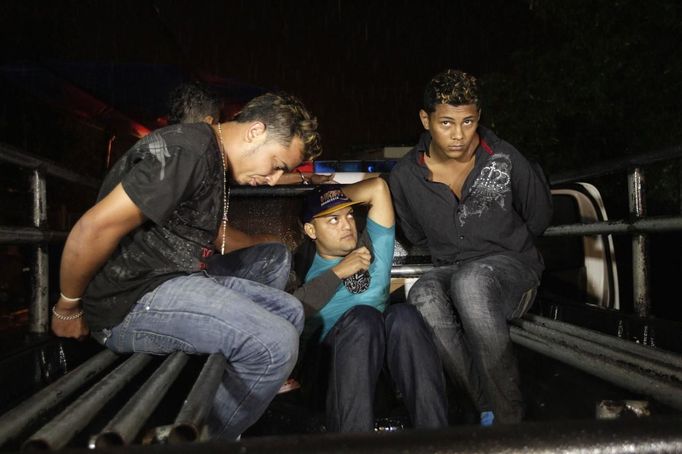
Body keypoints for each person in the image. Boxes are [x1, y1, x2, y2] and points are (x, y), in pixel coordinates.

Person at [50, 92, 322, 440]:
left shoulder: (212, 158)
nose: (272, 179)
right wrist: (68, 305)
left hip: (172, 279)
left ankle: (234, 383)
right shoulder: (189, 151)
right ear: (255, 132)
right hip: (130, 301)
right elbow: (94, 227)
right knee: (276, 345)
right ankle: (204, 440)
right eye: (277, 165)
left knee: (290, 312)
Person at [388, 69, 553, 425]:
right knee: (423, 295)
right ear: (425, 119)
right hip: (452, 267)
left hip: (512, 268)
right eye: (446, 122)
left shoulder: (505, 158)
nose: (459, 134)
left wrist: (501, 240)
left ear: (478, 118)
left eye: (468, 122)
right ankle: (486, 409)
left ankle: (510, 424)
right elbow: (415, 235)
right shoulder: (405, 175)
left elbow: (538, 215)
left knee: (472, 282)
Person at [292, 179, 448, 432]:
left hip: (378, 378)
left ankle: (437, 440)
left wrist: (333, 193)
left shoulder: (373, 250)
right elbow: (291, 312)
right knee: (364, 318)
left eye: (350, 215)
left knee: (403, 315)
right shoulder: (303, 267)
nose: (346, 225)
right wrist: (339, 272)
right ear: (311, 231)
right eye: (333, 220)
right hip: (327, 377)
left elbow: (377, 187)